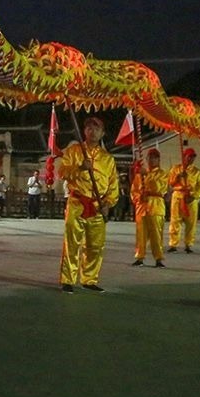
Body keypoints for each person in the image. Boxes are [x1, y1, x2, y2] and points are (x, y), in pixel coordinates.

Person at [58, 116, 120, 292]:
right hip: (77, 202)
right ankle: (68, 279)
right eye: (89, 128)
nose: (92, 131)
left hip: (97, 205)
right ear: (84, 131)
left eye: (97, 128)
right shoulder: (74, 152)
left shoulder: (108, 159)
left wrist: (108, 203)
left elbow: (113, 185)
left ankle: (89, 279)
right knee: (72, 242)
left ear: (102, 133)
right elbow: (62, 172)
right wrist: (79, 168)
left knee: (95, 245)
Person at [166, 147, 200, 253]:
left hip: (191, 199)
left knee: (191, 222)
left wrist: (194, 196)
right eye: (189, 156)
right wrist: (178, 177)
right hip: (178, 196)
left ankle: (188, 244)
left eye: (193, 157)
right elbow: (170, 182)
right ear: (184, 157)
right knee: (175, 221)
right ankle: (173, 244)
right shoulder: (176, 169)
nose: (191, 159)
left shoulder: (197, 172)